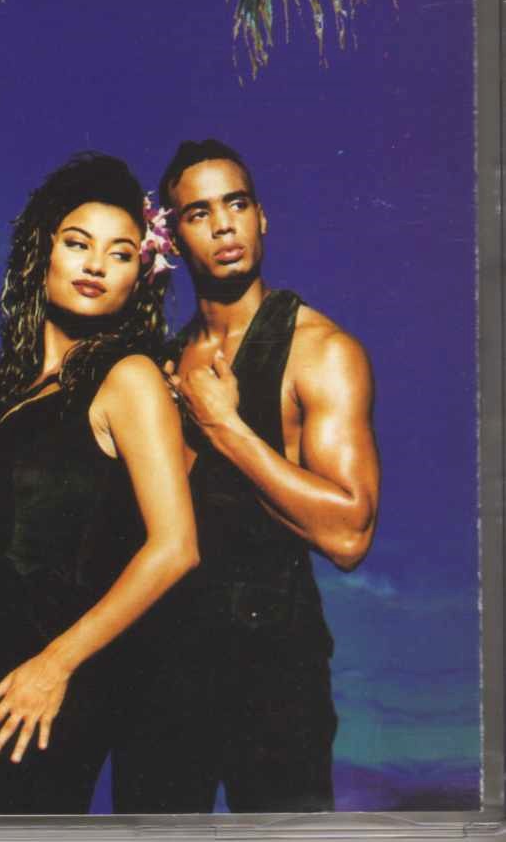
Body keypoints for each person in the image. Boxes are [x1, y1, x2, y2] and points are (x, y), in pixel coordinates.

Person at [0, 153, 199, 815]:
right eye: (78, 243)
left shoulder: (129, 379)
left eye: (120, 253)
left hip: (47, 696)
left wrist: (55, 666)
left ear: (138, 277)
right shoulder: (11, 394)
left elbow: (175, 547)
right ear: (43, 253)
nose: (96, 265)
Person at [111, 139, 380, 814]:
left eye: (235, 204)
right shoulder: (159, 364)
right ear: (172, 239)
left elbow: (350, 534)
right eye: (198, 213)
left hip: (274, 668)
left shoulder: (321, 352)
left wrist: (224, 427)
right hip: (160, 667)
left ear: (261, 217)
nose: (224, 225)